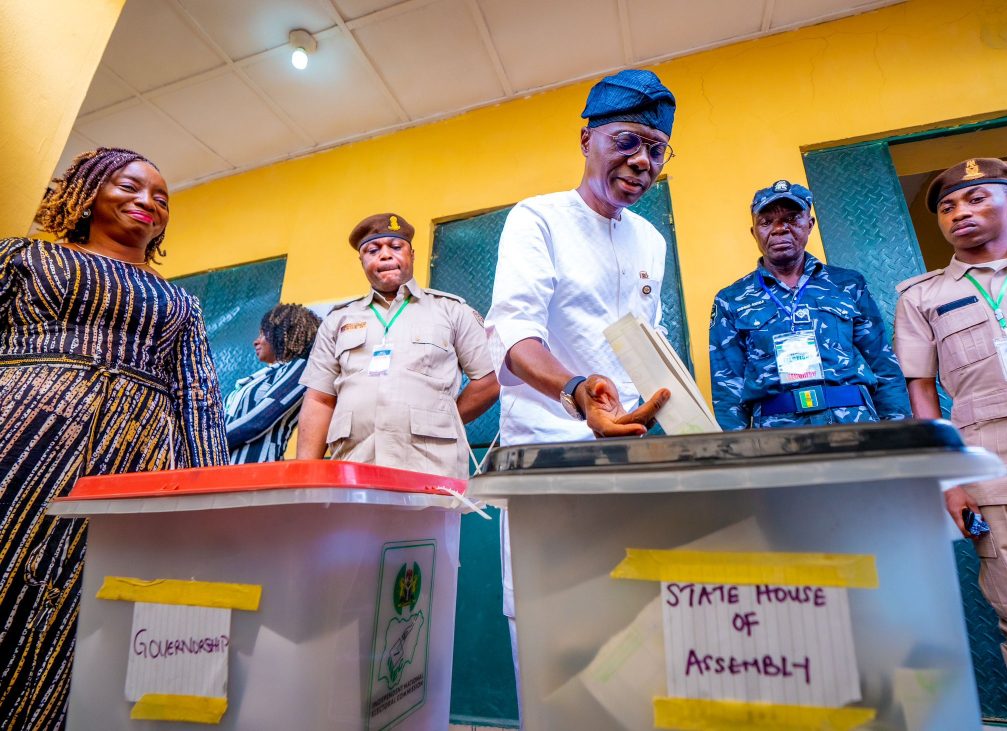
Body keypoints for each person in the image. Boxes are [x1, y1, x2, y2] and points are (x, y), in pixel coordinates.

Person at [0, 147, 229, 728]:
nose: (148, 202)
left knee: (92, 599)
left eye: (161, 197)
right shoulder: (23, 258)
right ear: (88, 189)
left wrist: (210, 496)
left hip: (134, 462)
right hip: (20, 438)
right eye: (130, 186)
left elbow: (198, 398)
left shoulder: (181, 301)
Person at [484, 68, 674, 721]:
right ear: (588, 137)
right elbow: (512, 335)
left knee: (633, 624)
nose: (642, 161)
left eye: (656, 149)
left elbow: (649, 344)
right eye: (628, 141)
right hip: (551, 461)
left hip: (628, 462)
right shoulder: (537, 219)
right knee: (550, 629)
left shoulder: (651, 240)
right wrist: (574, 390)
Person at [894, 157, 1007, 699]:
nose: (959, 213)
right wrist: (950, 482)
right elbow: (921, 391)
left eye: (975, 199)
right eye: (947, 207)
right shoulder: (921, 297)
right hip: (989, 475)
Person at [296, 213, 498, 479]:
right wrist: (304, 475)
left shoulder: (451, 311)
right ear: (362, 261)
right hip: (353, 466)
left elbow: (488, 380)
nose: (385, 256)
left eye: (395, 247)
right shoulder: (338, 320)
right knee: (355, 523)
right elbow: (319, 399)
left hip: (430, 466)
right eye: (372, 250)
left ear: (411, 254)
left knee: (426, 522)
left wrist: (441, 419)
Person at [709, 179, 911, 429]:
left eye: (792, 219)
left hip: (855, 424)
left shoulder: (848, 284)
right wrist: (737, 456)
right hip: (776, 434)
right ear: (754, 232)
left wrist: (899, 432)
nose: (779, 229)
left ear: (810, 225)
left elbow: (883, 364)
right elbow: (727, 387)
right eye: (766, 222)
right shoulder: (731, 299)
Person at [224, 303, 322, 463]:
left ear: (284, 334)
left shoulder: (300, 369)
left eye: (263, 334)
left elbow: (260, 419)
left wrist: (209, 444)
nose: (256, 341)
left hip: (256, 475)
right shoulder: (259, 377)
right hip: (222, 473)